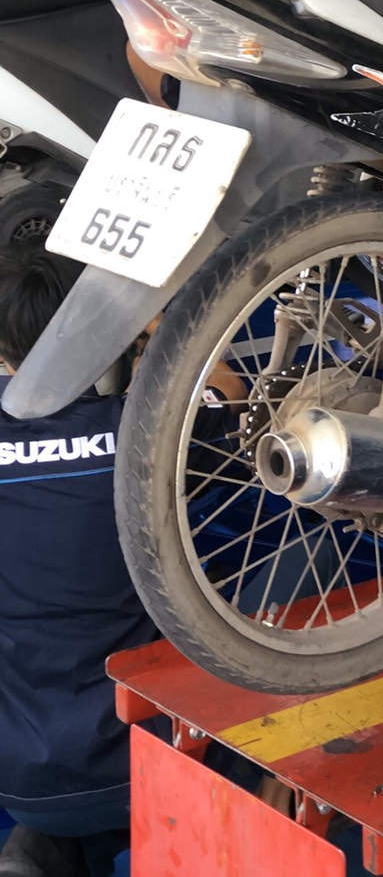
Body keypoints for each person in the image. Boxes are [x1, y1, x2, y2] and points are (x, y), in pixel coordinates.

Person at [0, 240, 157, 877]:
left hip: (18, 775)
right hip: (148, 763)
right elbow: (227, 394)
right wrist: (161, 330)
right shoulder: (144, 432)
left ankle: (46, 845)